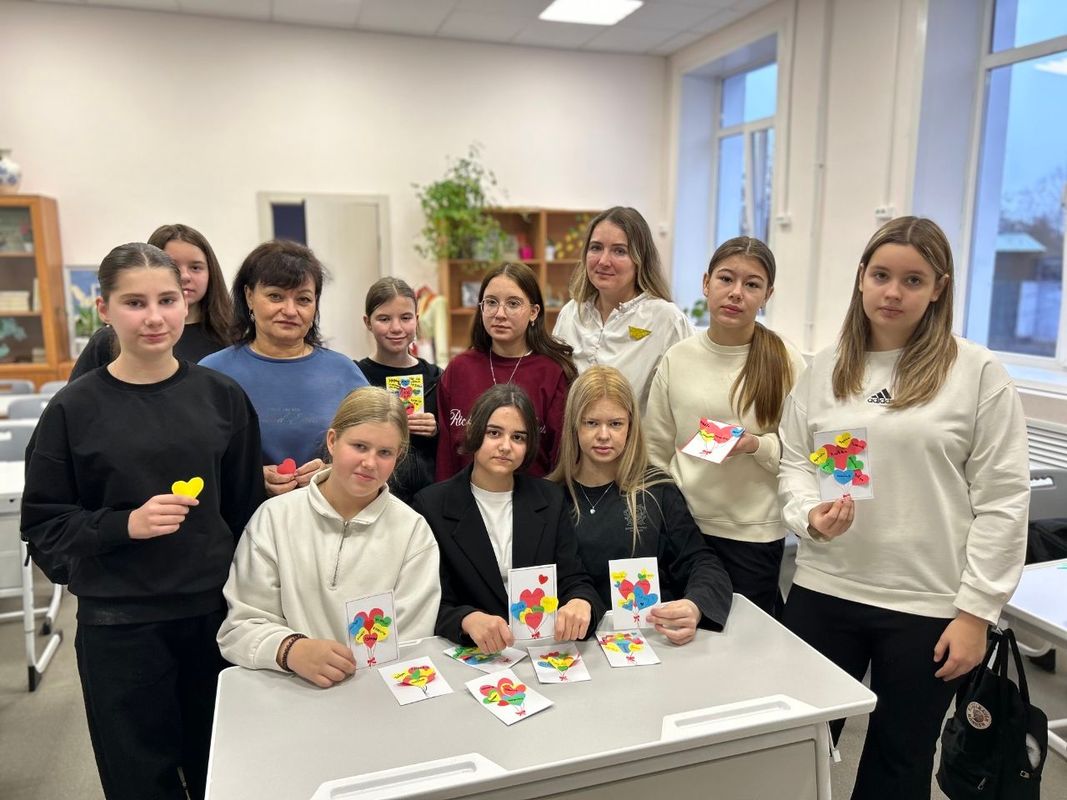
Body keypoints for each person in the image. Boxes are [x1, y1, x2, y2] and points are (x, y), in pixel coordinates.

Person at [777, 217, 1030, 798]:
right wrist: (807, 514)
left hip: (928, 605)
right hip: (826, 589)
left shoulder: (976, 372)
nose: (893, 292)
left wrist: (977, 612)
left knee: (899, 759)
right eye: (881, 275)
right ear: (861, 278)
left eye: (913, 280)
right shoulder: (826, 368)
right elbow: (795, 462)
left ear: (939, 287)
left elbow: (1003, 499)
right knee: (796, 744)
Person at [21, 242, 264, 800]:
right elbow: (43, 527)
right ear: (103, 310)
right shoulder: (72, 410)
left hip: (213, 619)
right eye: (135, 303)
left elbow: (246, 513)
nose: (154, 317)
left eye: (167, 300)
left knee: (224, 772)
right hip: (120, 628)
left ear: (186, 303)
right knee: (140, 781)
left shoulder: (223, 398)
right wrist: (122, 526)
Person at [218, 386, 440, 689]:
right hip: (288, 689)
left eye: (385, 453)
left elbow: (413, 639)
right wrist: (291, 649)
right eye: (359, 446)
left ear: (398, 457)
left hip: (375, 694)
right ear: (333, 441)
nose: (370, 463)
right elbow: (240, 627)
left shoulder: (413, 532)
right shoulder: (275, 518)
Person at [645, 237, 805, 616]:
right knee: (684, 634)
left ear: (767, 295)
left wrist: (757, 445)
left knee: (744, 637)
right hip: (685, 531)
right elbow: (655, 450)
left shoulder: (785, 360)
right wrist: (665, 520)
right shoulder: (678, 358)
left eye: (752, 284)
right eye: (726, 279)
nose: (736, 293)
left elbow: (805, 453)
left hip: (753, 534)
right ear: (706, 283)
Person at [414, 384, 605, 653]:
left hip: (541, 648)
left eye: (518, 437)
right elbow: (431, 602)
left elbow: (574, 579)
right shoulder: (431, 505)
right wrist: (466, 619)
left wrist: (581, 601)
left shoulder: (550, 498)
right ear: (474, 431)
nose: (505, 446)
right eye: (494, 433)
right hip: (471, 653)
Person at [549, 366, 733, 644]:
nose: (603, 435)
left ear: (631, 426)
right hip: (573, 646)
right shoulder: (550, 498)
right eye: (591, 423)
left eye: (615, 424)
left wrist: (694, 606)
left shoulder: (657, 490)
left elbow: (702, 562)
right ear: (574, 425)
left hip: (650, 640)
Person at [200, 240, 368, 496]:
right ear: (249, 296)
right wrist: (249, 478)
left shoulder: (344, 372)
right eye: (275, 296)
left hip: (330, 513)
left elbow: (376, 450)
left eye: (303, 299)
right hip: (242, 517)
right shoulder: (213, 373)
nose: (290, 310)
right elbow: (194, 459)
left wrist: (334, 472)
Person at [435, 262, 574, 480]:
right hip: (465, 496)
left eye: (513, 303)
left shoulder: (553, 373)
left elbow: (559, 458)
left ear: (534, 312)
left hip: (533, 496)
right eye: (491, 302)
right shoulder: (459, 369)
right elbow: (445, 455)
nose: (500, 314)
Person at [553, 207, 693, 411]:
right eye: (596, 248)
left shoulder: (666, 319)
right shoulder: (571, 313)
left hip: (638, 433)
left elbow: (686, 400)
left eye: (619, 251)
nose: (603, 261)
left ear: (640, 259)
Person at [70, 223, 232, 379]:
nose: (185, 276)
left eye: (195, 267)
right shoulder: (108, 340)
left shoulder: (231, 336)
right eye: (174, 267)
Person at [356, 277, 442, 504]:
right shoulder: (355, 376)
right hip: (371, 495)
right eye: (384, 319)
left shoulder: (436, 377)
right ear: (368, 322)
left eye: (405, 318)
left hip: (428, 499)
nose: (396, 328)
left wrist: (437, 430)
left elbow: (456, 446)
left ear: (416, 319)